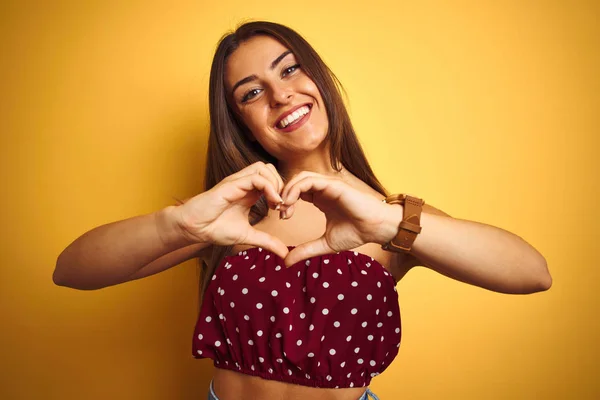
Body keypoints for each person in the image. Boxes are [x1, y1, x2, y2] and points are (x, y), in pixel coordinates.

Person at [53, 21, 552, 400]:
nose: (280, 94)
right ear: (243, 124)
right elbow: (71, 270)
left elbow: (532, 273)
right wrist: (177, 223)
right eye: (250, 92)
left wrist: (385, 222)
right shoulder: (228, 212)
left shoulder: (391, 217)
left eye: (289, 69)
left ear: (319, 79)